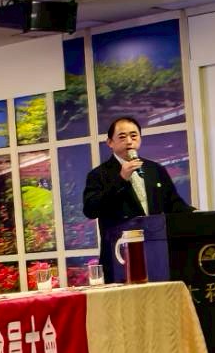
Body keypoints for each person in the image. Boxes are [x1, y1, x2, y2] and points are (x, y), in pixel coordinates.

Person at [82, 116, 194, 282]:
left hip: (156, 252)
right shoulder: (99, 174)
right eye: (122, 137)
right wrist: (121, 179)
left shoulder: (155, 169)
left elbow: (173, 203)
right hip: (119, 255)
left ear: (140, 139)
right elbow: (90, 209)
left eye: (133, 136)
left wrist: (195, 214)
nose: (129, 141)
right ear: (110, 142)